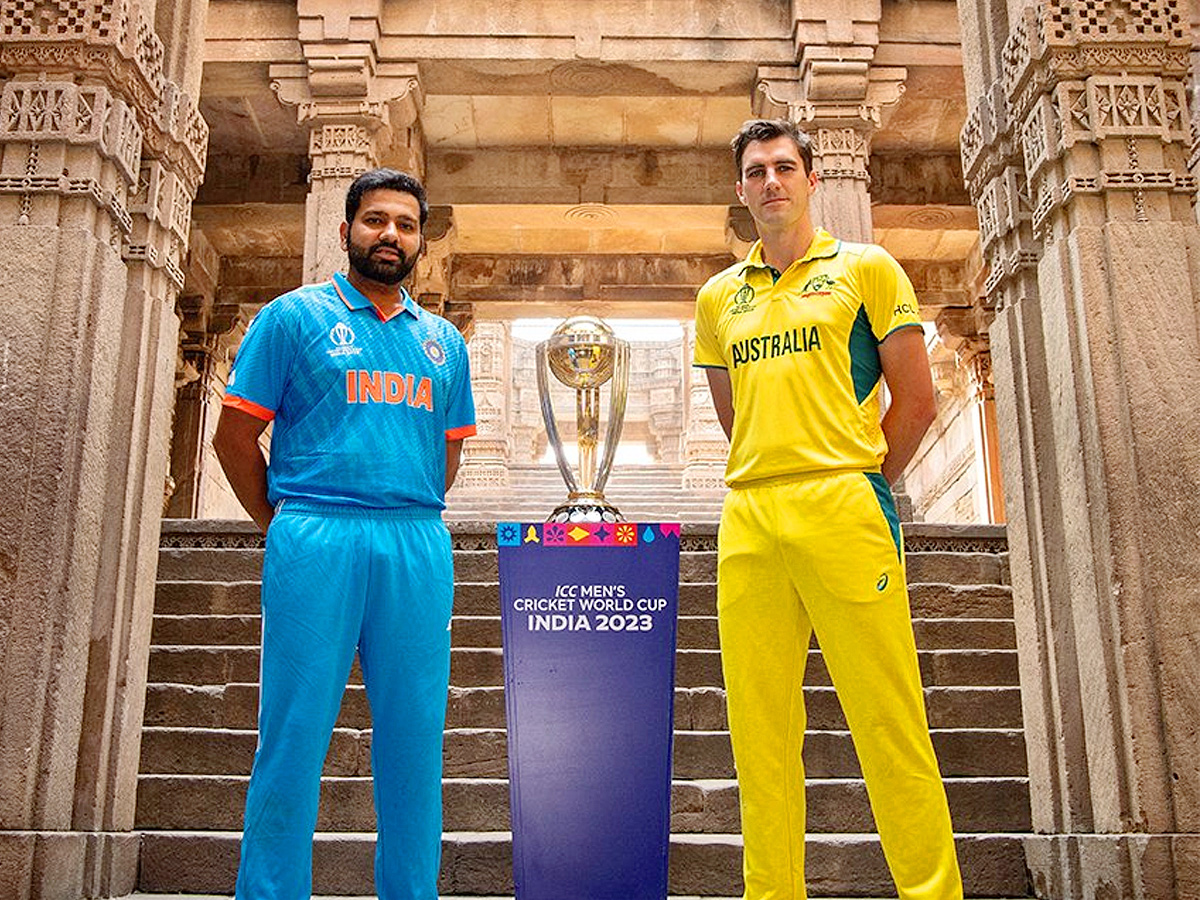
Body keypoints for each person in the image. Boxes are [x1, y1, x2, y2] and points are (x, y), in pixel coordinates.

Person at [693, 119, 962, 900]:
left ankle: (933, 892)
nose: (771, 181)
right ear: (740, 190)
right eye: (755, 171)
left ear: (811, 179)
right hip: (750, 516)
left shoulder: (867, 269)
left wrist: (861, 478)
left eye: (784, 167)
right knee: (760, 737)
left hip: (843, 503)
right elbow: (735, 419)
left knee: (889, 722)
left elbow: (916, 399)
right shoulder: (718, 298)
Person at [212, 168, 476, 900]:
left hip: (415, 540)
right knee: (292, 739)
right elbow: (234, 437)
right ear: (346, 230)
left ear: (421, 241)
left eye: (406, 224)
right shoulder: (292, 318)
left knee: (415, 745)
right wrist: (285, 523)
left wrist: (402, 499)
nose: (390, 234)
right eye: (375, 220)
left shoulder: (443, 343)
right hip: (315, 534)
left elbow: (446, 452)